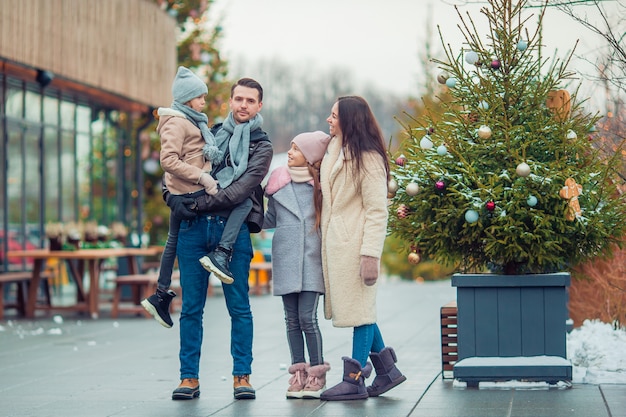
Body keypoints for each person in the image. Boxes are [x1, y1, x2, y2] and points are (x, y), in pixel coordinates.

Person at [163, 77, 272, 401]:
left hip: (231, 232)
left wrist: (195, 203)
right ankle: (188, 378)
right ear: (230, 100)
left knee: (239, 307)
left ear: (259, 106)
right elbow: (178, 168)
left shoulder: (261, 145)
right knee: (191, 308)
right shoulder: (208, 133)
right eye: (238, 99)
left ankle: (242, 376)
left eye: (250, 101)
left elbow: (240, 190)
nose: (243, 105)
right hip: (194, 230)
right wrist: (170, 196)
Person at [140, 67, 251, 329]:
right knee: (243, 202)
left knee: (172, 240)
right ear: (188, 98)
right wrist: (202, 178)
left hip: (182, 190)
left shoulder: (192, 120)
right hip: (189, 190)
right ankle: (218, 256)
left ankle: (160, 294)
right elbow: (168, 160)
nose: (204, 102)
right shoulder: (178, 122)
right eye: (200, 97)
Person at [318, 96, 406, 401]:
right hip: (338, 245)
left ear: (349, 120)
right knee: (361, 308)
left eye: (333, 116)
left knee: (360, 310)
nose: (328, 120)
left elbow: (376, 209)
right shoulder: (334, 149)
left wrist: (370, 255)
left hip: (356, 246)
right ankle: (386, 372)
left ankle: (354, 379)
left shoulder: (367, 158)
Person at [263, 131, 332, 399]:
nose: (289, 152)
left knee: (307, 318)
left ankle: (317, 372)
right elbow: (269, 220)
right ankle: (298, 373)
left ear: (311, 156)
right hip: (286, 259)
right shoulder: (277, 185)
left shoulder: (322, 188)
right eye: (290, 147)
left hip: (312, 261)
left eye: (296, 149)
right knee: (291, 320)